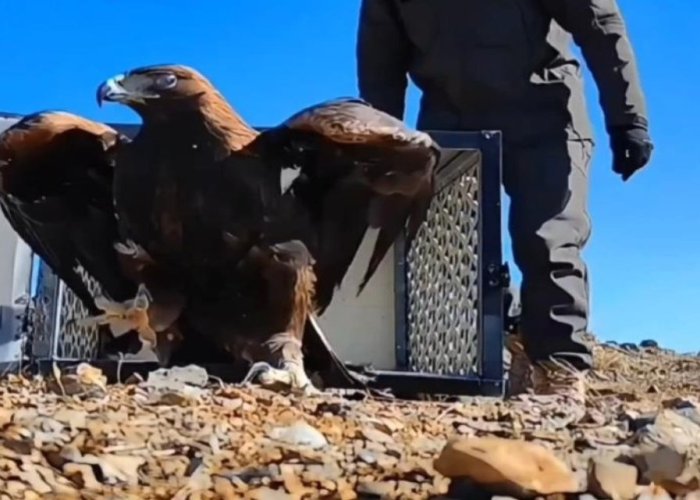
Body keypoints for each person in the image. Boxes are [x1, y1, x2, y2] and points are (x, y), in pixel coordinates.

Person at [355, 0, 653, 405]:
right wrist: (384, 142)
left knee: (546, 238)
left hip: (546, 115)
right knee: (451, 244)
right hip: (451, 122)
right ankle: (514, 340)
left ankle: (559, 368)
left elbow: (600, 24)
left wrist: (628, 118)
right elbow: (380, 59)